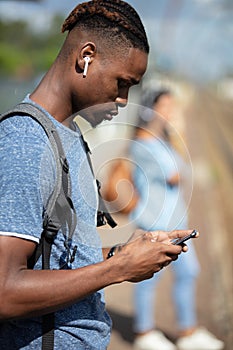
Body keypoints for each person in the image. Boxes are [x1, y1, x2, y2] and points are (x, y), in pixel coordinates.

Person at [0, 1, 196, 349]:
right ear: (85, 56)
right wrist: (116, 271)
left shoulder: (70, 137)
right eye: (122, 83)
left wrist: (120, 254)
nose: (124, 100)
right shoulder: (25, 143)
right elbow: (4, 291)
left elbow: (57, 256)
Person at [129, 89, 225, 350]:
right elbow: (174, 174)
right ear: (150, 110)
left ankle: (187, 332)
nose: (171, 111)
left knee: (188, 272)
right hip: (155, 222)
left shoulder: (162, 140)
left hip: (176, 221)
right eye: (166, 105)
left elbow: (182, 167)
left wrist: (175, 133)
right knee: (149, 277)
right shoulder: (142, 144)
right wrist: (178, 129)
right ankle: (144, 333)